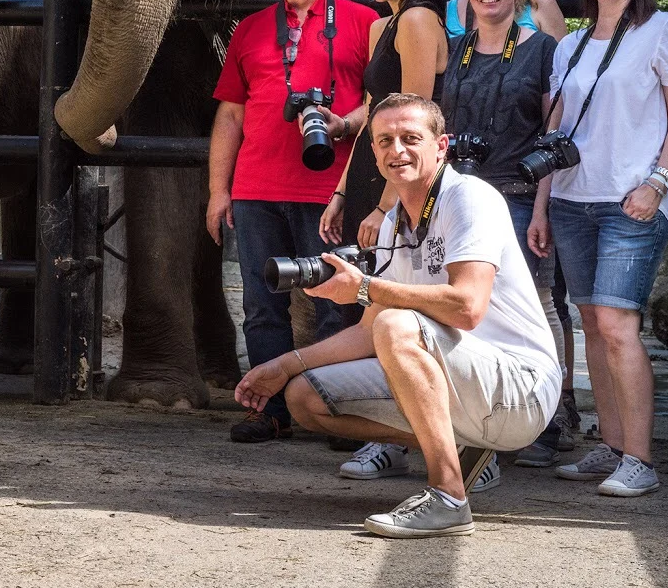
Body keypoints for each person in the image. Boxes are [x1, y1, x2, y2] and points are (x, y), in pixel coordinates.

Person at [235, 94, 562, 538]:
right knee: (304, 397)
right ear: (371, 150)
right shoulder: (393, 222)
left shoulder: (469, 198)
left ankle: (448, 499)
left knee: (396, 322)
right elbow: (368, 332)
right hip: (466, 384)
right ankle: (461, 453)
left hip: (520, 388)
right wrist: (283, 364)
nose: (397, 151)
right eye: (384, 140)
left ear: (441, 145)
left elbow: (467, 307)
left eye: (411, 138)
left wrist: (365, 288)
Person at [207, 0, 378, 443]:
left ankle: (334, 407)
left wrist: (344, 122)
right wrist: (219, 191)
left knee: (336, 301)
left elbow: (380, 104)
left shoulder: (364, 22)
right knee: (261, 305)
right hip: (257, 187)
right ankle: (269, 408)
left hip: (330, 191)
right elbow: (230, 114)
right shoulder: (252, 30)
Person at [545, 0, 668, 497]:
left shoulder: (663, 30)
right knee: (592, 324)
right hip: (571, 198)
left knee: (617, 324)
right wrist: (542, 207)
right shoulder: (571, 45)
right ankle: (610, 446)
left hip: (633, 199)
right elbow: (557, 132)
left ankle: (640, 459)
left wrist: (657, 184)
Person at [445, 0, 578, 449]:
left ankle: (546, 418)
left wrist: (544, 207)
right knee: (467, 304)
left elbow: (554, 135)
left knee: (535, 304)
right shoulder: (454, 49)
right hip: (462, 195)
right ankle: (483, 416)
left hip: (521, 195)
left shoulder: (544, 49)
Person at [320, 0, 448, 464]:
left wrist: (386, 207)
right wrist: (345, 193)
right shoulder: (380, 27)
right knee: (364, 307)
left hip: (407, 184)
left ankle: (400, 438)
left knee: (388, 308)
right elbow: (377, 118)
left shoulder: (418, 20)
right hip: (373, 177)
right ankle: (382, 430)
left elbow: (413, 124)